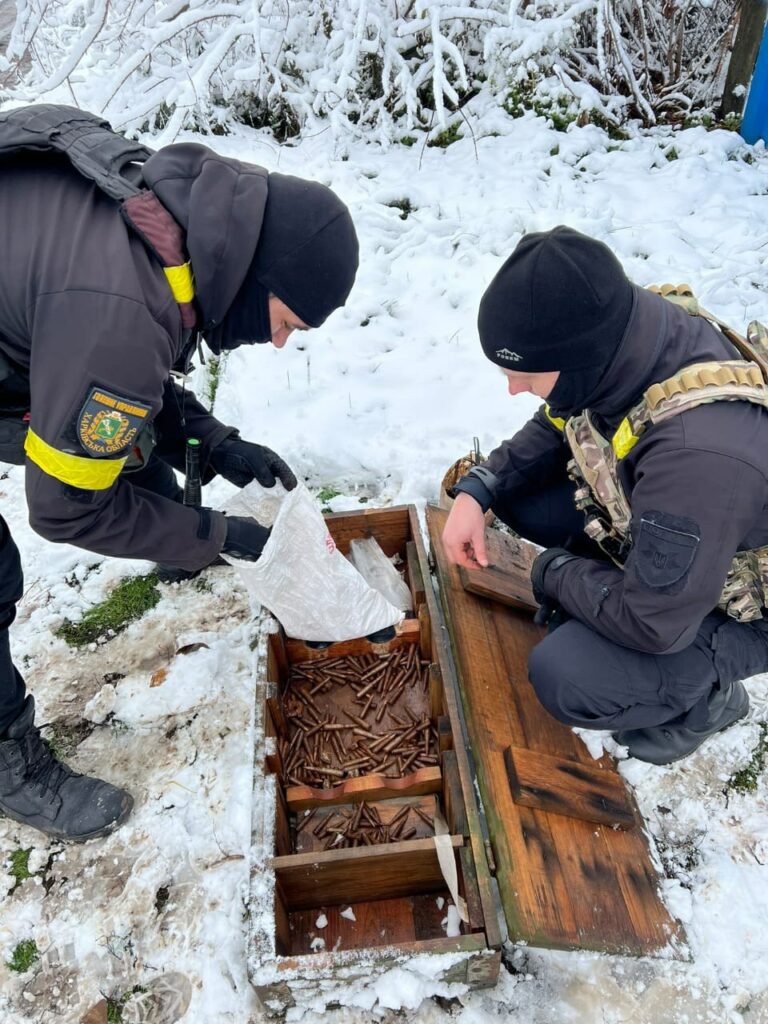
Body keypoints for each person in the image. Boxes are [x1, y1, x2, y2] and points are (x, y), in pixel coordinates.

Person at [0, 106, 359, 840]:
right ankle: (7, 764)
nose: (282, 342)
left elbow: (118, 359)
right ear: (260, 278)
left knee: (115, 442)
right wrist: (216, 534)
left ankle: (171, 539)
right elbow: (65, 506)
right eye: (288, 322)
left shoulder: (172, 210)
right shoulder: (118, 309)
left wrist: (213, 440)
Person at [442, 225, 768, 765]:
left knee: (567, 675)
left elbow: (652, 623)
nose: (512, 388)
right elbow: (560, 419)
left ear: (579, 360)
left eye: (523, 374)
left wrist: (551, 573)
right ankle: (626, 584)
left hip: (740, 606)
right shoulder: (623, 331)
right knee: (516, 495)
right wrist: (480, 489)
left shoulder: (698, 458)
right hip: (686, 527)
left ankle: (707, 698)